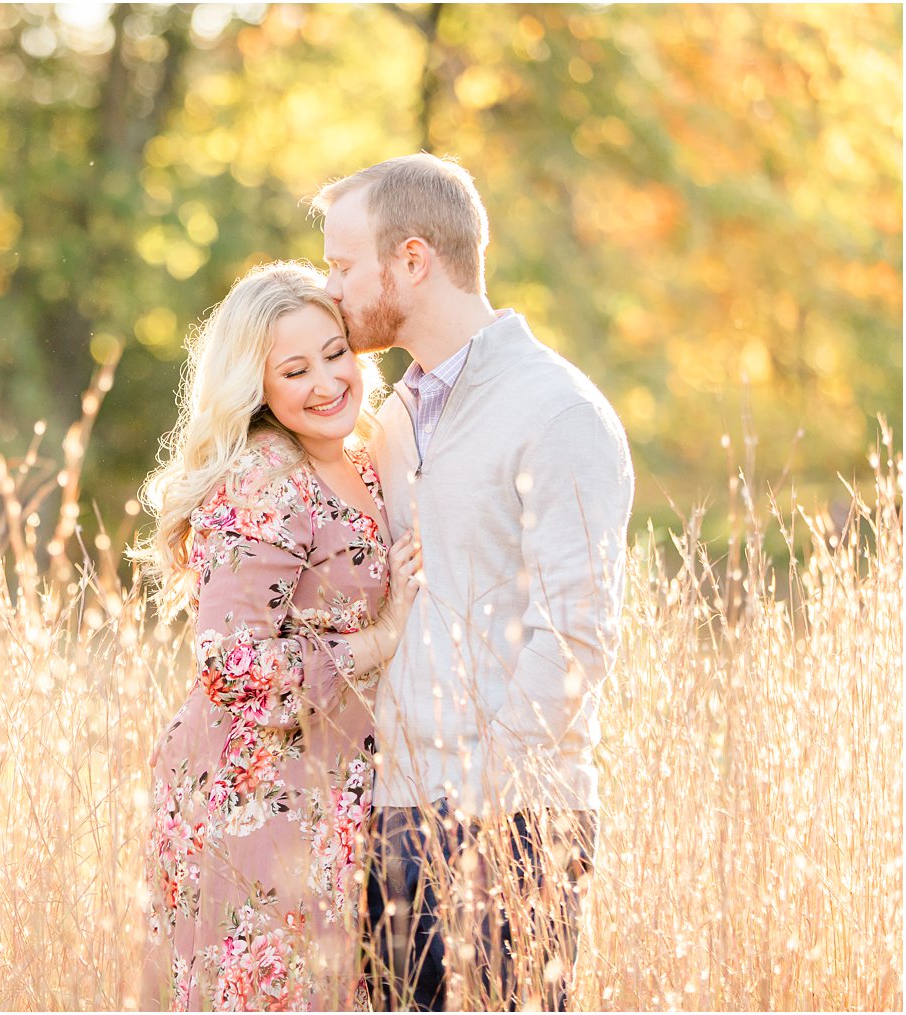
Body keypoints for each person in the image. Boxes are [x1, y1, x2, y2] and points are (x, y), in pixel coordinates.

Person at [312, 154, 634, 1010]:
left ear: (411, 260)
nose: (331, 287)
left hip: (514, 826)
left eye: (343, 266)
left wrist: (488, 806)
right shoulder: (392, 420)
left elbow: (577, 633)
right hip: (397, 819)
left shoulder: (555, 410)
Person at [136, 262, 424, 1011]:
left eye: (336, 353)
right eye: (295, 369)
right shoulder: (264, 476)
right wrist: (379, 639)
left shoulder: (361, 458)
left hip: (337, 797)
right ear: (257, 385)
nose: (327, 381)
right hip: (257, 799)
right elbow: (231, 664)